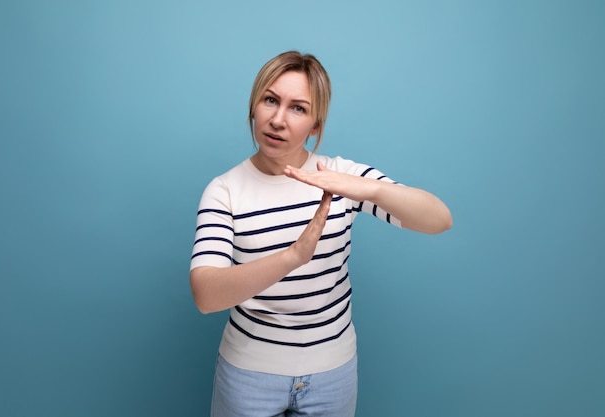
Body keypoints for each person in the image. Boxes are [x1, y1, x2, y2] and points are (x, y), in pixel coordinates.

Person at [190, 50, 452, 417]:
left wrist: (368, 189)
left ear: (315, 124)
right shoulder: (224, 190)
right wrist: (292, 256)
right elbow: (206, 294)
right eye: (270, 100)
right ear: (254, 106)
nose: (278, 120)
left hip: (333, 375)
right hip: (248, 375)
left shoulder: (339, 176)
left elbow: (438, 219)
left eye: (298, 108)